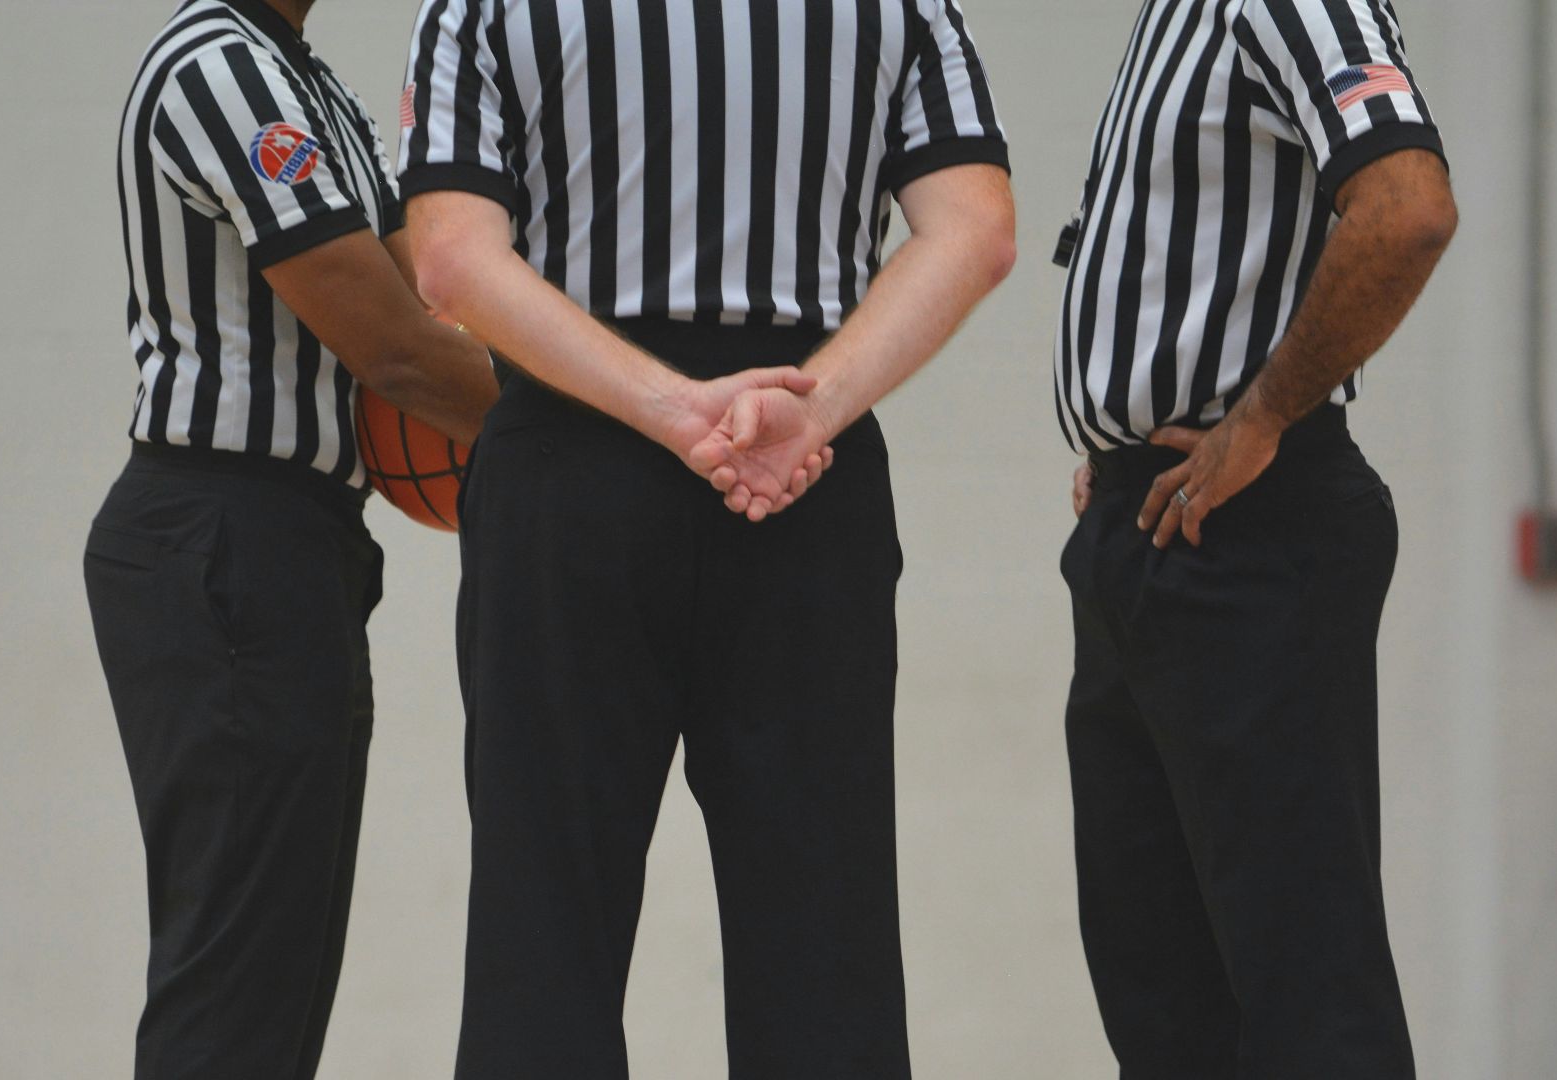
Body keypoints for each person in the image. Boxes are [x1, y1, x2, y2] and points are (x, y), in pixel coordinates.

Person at [396, 2, 1015, 1076]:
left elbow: (449, 260)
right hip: (798, 466)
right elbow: (976, 230)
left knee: (543, 932)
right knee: (826, 942)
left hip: (571, 464)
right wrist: (813, 411)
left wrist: (670, 407)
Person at [83, 1, 498, 1075]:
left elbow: (439, 300)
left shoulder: (321, 89)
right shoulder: (219, 67)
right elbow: (397, 350)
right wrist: (601, 437)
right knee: (232, 979)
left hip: (299, 544)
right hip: (223, 532)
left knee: (278, 983)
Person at [1053, 1, 1458, 1076]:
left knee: (1303, 994)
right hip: (1147, 527)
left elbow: (1408, 207)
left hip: (1249, 537)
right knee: (1162, 998)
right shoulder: (1173, 20)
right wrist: (1123, 429)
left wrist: (1265, 413)